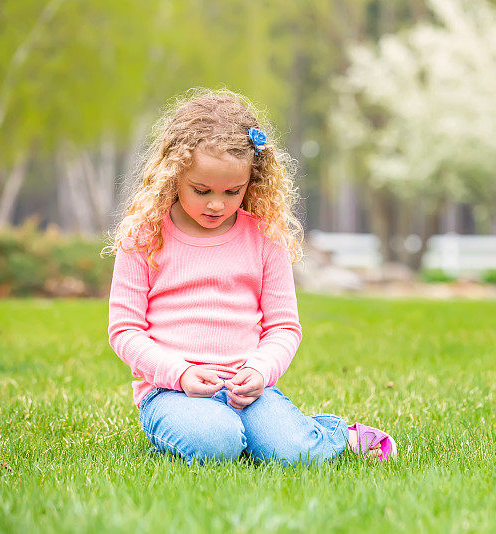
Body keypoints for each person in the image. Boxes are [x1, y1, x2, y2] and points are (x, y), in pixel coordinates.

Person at [103, 88, 396, 466]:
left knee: (293, 453)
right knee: (217, 442)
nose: (216, 204)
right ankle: (210, 430)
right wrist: (180, 375)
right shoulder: (143, 237)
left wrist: (260, 371)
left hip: (248, 390)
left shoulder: (264, 237)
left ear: (251, 181)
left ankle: (338, 435)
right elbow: (124, 330)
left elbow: (283, 327)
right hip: (171, 391)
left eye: (232, 191)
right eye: (201, 190)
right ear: (174, 175)